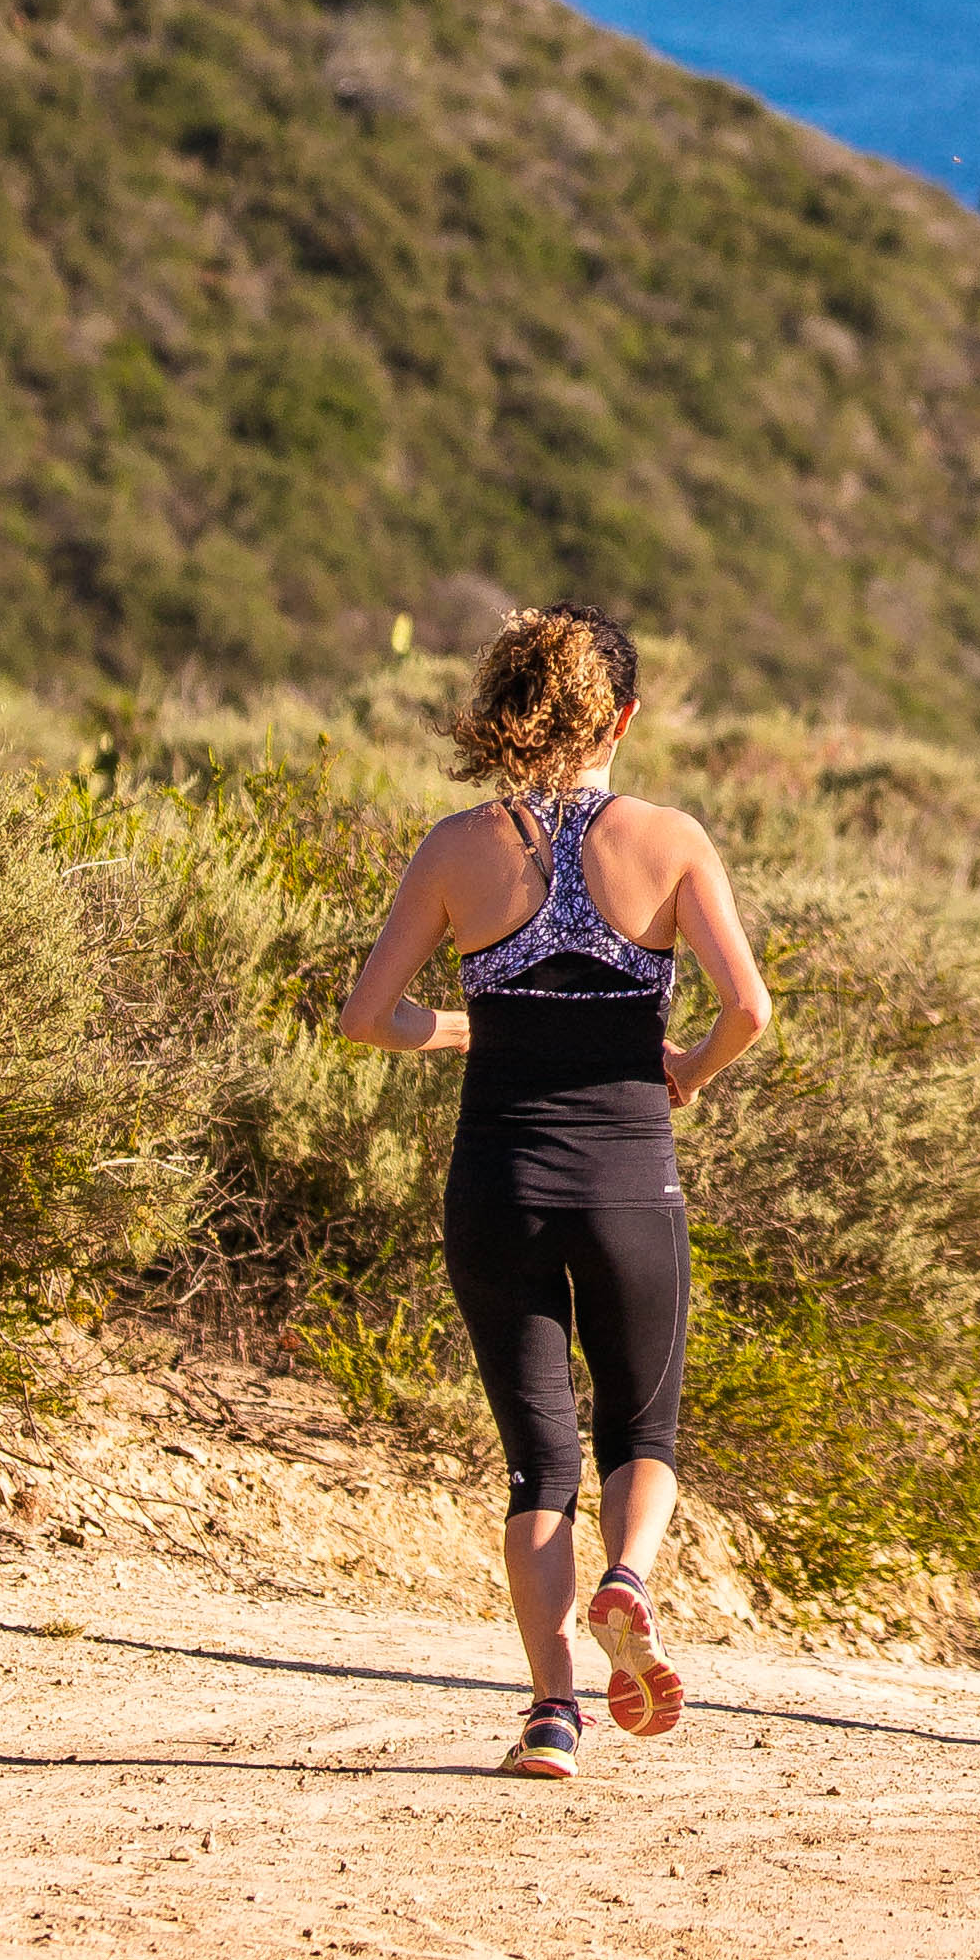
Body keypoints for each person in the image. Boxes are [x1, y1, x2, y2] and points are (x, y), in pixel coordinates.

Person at [339, 602, 771, 1778]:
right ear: (623, 715)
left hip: (498, 1184)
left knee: (539, 1459)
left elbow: (367, 1019)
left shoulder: (456, 846)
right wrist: (685, 1067)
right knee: (645, 1426)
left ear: (513, 708)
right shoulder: (671, 840)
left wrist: (477, 1032)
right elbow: (749, 1010)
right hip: (630, 1181)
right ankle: (626, 1582)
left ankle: (550, 1716)